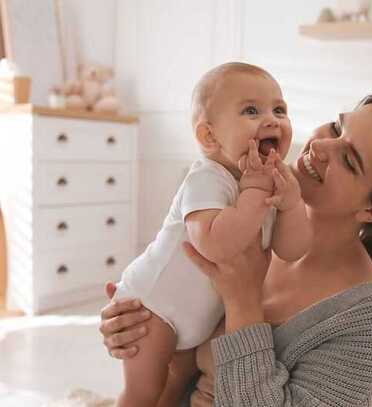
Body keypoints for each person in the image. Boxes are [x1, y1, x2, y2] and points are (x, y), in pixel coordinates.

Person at [100, 94, 372, 407]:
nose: (320, 147)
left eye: (349, 159)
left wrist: (243, 302)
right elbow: (178, 341)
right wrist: (138, 324)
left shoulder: (371, 323)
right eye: (336, 127)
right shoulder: (249, 212)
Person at [111, 62, 312, 407]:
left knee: (172, 390)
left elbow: (292, 249)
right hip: (152, 307)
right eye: (251, 110)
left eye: (280, 109)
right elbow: (216, 245)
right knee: (144, 393)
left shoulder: (270, 179)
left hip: (195, 319)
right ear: (209, 136)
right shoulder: (207, 178)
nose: (272, 119)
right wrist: (254, 193)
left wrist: (292, 205)